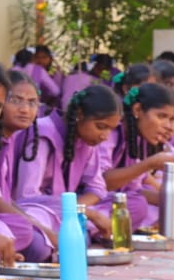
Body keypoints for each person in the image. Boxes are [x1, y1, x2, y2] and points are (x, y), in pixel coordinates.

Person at [102, 83, 174, 236]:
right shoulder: (109, 134)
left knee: (161, 201)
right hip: (87, 204)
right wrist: (147, 164)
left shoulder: (138, 140)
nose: (170, 127)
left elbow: (133, 190)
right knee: (138, 206)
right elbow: (102, 184)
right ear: (137, 110)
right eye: (162, 116)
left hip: (113, 202)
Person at [26, 84, 120, 239]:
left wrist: (76, 210)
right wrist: (88, 214)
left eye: (111, 129)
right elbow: (28, 196)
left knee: (122, 208)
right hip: (37, 211)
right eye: (101, 126)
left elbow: (96, 188)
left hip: (65, 210)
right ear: (80, 114)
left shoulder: (87, 141)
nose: (105, 136)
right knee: (43, 237)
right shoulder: (42, 134)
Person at [0, 71, 58, 259]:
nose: (25, 109)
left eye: (32, 103)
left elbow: (5, 198)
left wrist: (34, 223)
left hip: (1, 217)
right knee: (37, 242)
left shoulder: (8, 140)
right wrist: (41, 229)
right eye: (16, 101)